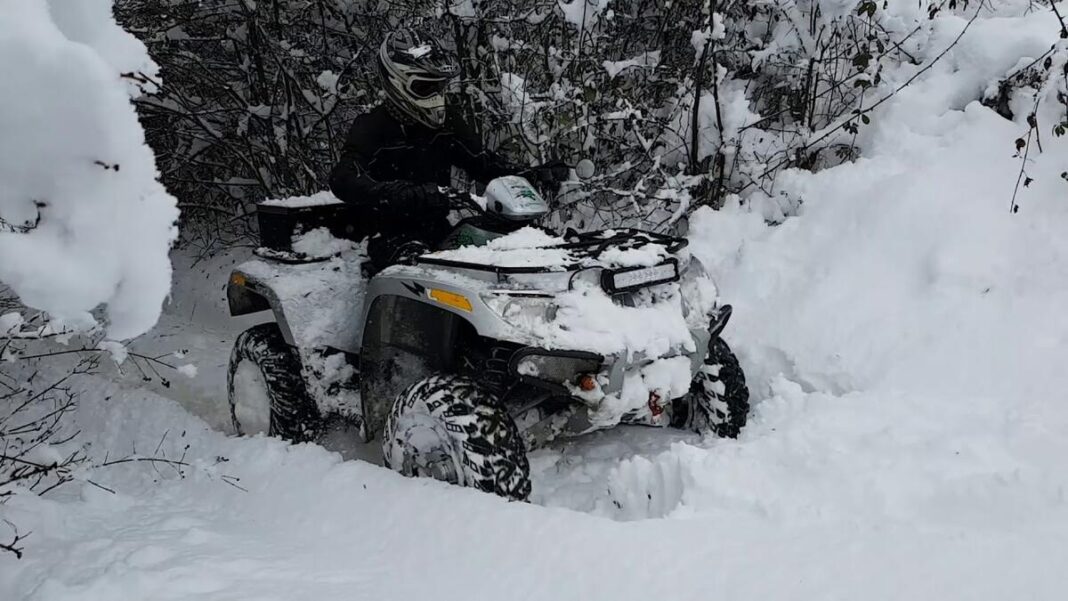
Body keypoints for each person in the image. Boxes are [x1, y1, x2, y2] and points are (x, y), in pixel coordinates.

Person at [329, 28, 566, 272]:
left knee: (517, 246)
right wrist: (396, 192)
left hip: (440, 230)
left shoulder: (447, 122)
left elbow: (481, 162)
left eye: (439, 86)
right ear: (396, 83)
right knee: (415, 271)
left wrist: (529, 176)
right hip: (387, 235)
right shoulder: (372, 126)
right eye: (425, 87)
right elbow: (343, 178)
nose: (435, 95)